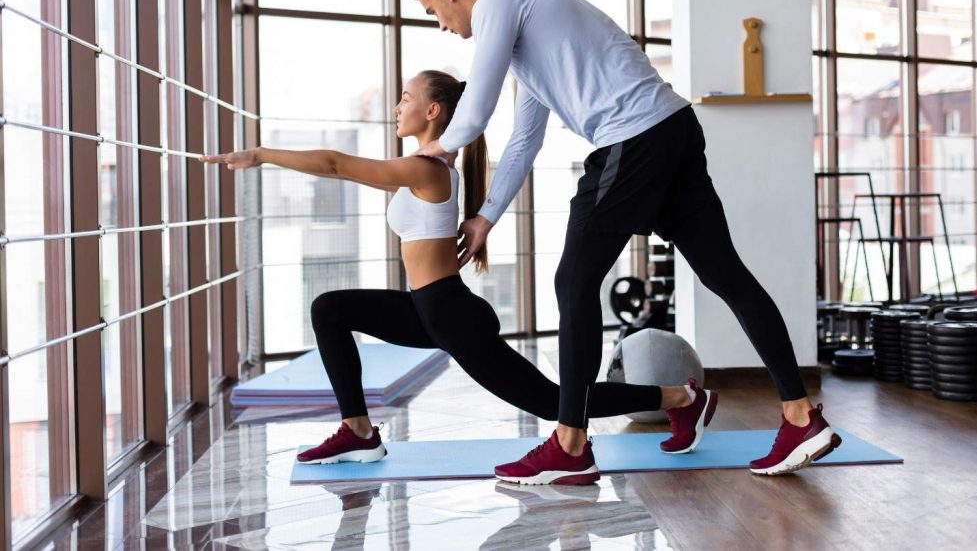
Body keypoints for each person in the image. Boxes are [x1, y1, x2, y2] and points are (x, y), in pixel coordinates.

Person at [406, 0, 842, 480]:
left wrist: (438, 150)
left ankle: (569, 445)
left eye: (433, 11)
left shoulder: (503, 1)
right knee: (725, 274)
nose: (442, 25)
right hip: (673, 129)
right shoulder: (532, 34)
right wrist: (486, 217)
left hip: (633, 138)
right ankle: (800, 416)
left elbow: (476, 109)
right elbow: (522, 141)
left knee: (575, 280)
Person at [201, 69, 713, 482]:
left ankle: (681, 397)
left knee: (550, 401)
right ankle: (358, 431)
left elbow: (336, 164)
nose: (396, 108)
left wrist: (261, 154)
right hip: (428, 307)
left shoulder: (427, 169)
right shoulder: (426, 165)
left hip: (449, 313)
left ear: (433, 111)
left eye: (405, 98)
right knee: (329, 309)